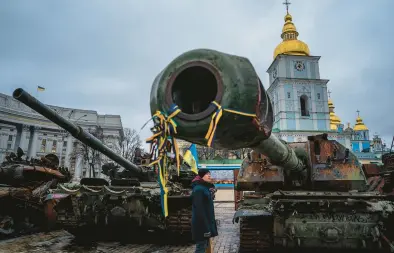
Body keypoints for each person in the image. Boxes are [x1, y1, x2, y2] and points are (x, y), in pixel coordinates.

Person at [191, 169, 218, 253]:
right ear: (201, 176)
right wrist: (206, 226)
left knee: (204, 245)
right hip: (201, 224)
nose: (209, 175)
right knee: (201, 247)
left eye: (209, 174)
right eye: (207, 174)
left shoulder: (204, 187)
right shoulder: (198, 189)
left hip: (205, 223)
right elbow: (199, 209)